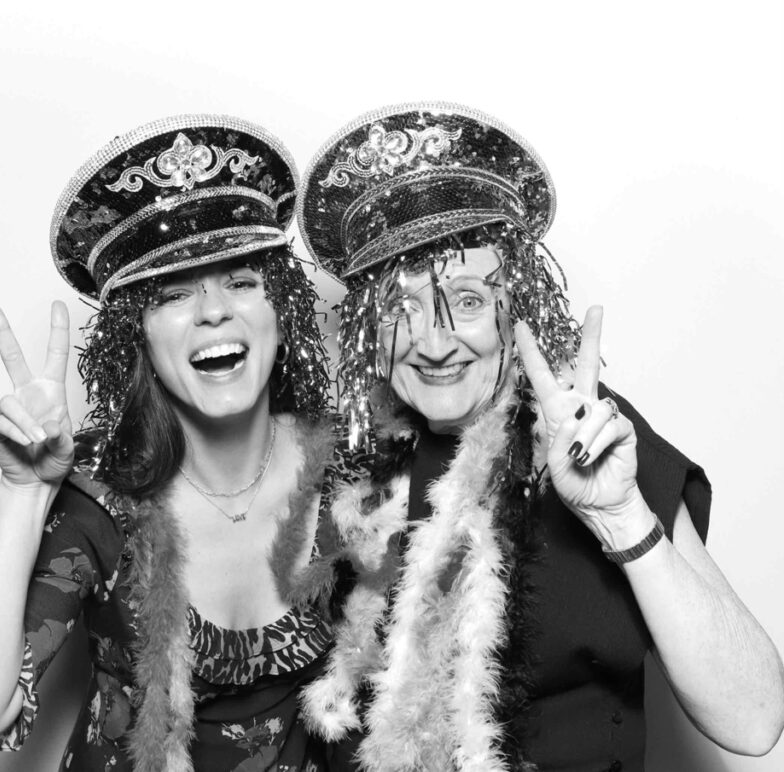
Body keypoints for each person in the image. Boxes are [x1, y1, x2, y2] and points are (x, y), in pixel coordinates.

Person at [295, 102, 784, 771]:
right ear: (365, 332)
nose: (434, 344)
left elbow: (754, 720)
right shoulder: (338, 461)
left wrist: (619, 516)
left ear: (514, 307)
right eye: (399, 309)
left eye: (466, 301)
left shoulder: (589, 431)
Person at [0, 115, 344, 771]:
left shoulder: (344, 468)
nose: (214, 310)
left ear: (281, 311)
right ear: (136, 339)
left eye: (241, 281)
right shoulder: (101, 497)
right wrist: (23, 491)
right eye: (173, 294)